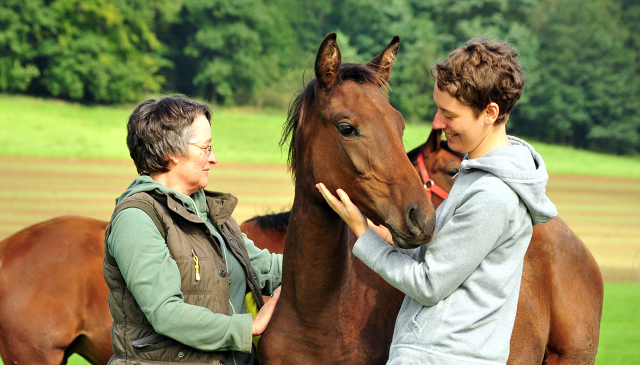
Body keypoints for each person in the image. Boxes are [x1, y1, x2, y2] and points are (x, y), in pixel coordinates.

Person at [316, 38, 558, 364]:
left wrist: (363, 232)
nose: (436, 123)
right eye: (437, 109)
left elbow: (430, 284)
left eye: (449, 114)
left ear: (490, 113)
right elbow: (445, 258)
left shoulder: (493, 195)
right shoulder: (477, 175)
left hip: (440, 355)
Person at [103, 95, 282, 365]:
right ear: (171, 154)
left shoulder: (212, 213)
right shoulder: (136, 219)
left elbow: (267, 268)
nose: (214, 158)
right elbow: (165, 312)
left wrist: (355, 250)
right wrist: (249, 328)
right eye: (205, 148)